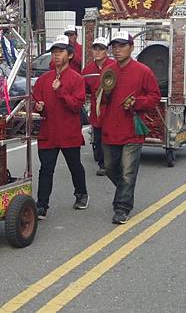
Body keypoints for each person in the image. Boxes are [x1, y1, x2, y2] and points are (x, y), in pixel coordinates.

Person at [99, 31, 160, 225]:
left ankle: (122, 207)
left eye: (122, 46)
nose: (117, 50)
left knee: (127, 171)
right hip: (110, 127)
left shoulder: (144, 71)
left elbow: (154, 97)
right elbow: (101, 98)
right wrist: (105, 93)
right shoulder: (108, 70)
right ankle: (125, 191)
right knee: (109, 167)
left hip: (132, 129)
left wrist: (137, 102)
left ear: (132, 48)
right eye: (114, 46)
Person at [32, 34, 88, 219]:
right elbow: (35, 102)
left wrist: (61, 91)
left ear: (70, 55)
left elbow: (76, 106)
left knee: (75, 166)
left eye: (60, 52)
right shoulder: (43, 80)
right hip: (48, 132)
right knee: (46, 169)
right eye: (54, 52)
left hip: (68, 132)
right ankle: (42, 205)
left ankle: (81, 194)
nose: (56, 56)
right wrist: (37, 106)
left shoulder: (76, 79)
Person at [81, 37, 115, 176]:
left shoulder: (114, 66)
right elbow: (84, 90)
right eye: (95, 48)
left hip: (112, 108)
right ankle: (103, 164)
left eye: (101, 48)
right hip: (97, 109)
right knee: (99, 138)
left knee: (112, 137)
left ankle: (114, 163)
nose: (98, 51)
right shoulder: (87, 70)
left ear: (106, 51)